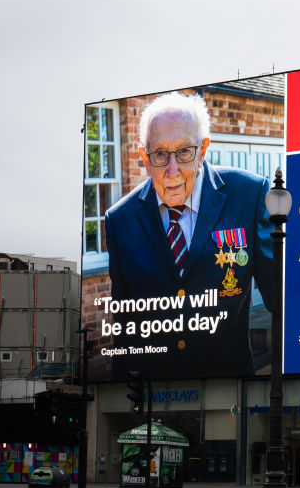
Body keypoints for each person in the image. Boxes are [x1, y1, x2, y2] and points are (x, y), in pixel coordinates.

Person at [104, 92, 275, 377]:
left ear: (203, 149)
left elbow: (280, 301)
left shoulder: (249, 195)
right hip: (155, 398)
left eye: (184, 152)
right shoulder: (120, 220)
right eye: (160, 155)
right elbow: (124, 330)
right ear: (144, 157)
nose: (173, 171)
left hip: (229, 389)